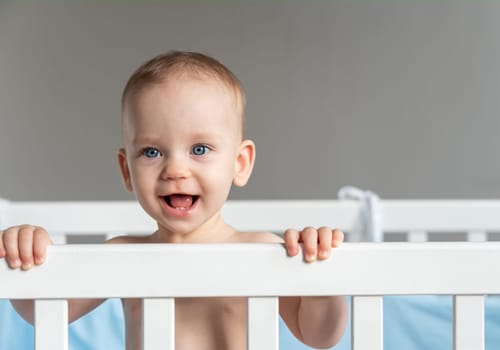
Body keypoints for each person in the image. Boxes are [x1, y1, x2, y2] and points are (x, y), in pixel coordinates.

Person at [0, 51, 348, 349]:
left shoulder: (263, 250)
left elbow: (319, 336)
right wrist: (25, 257)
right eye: (152, 151)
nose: (175, 169)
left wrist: (319, 279)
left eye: (200, 149)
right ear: (127, 170)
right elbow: (41, 310)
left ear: (239, 164)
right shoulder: (122, 256)